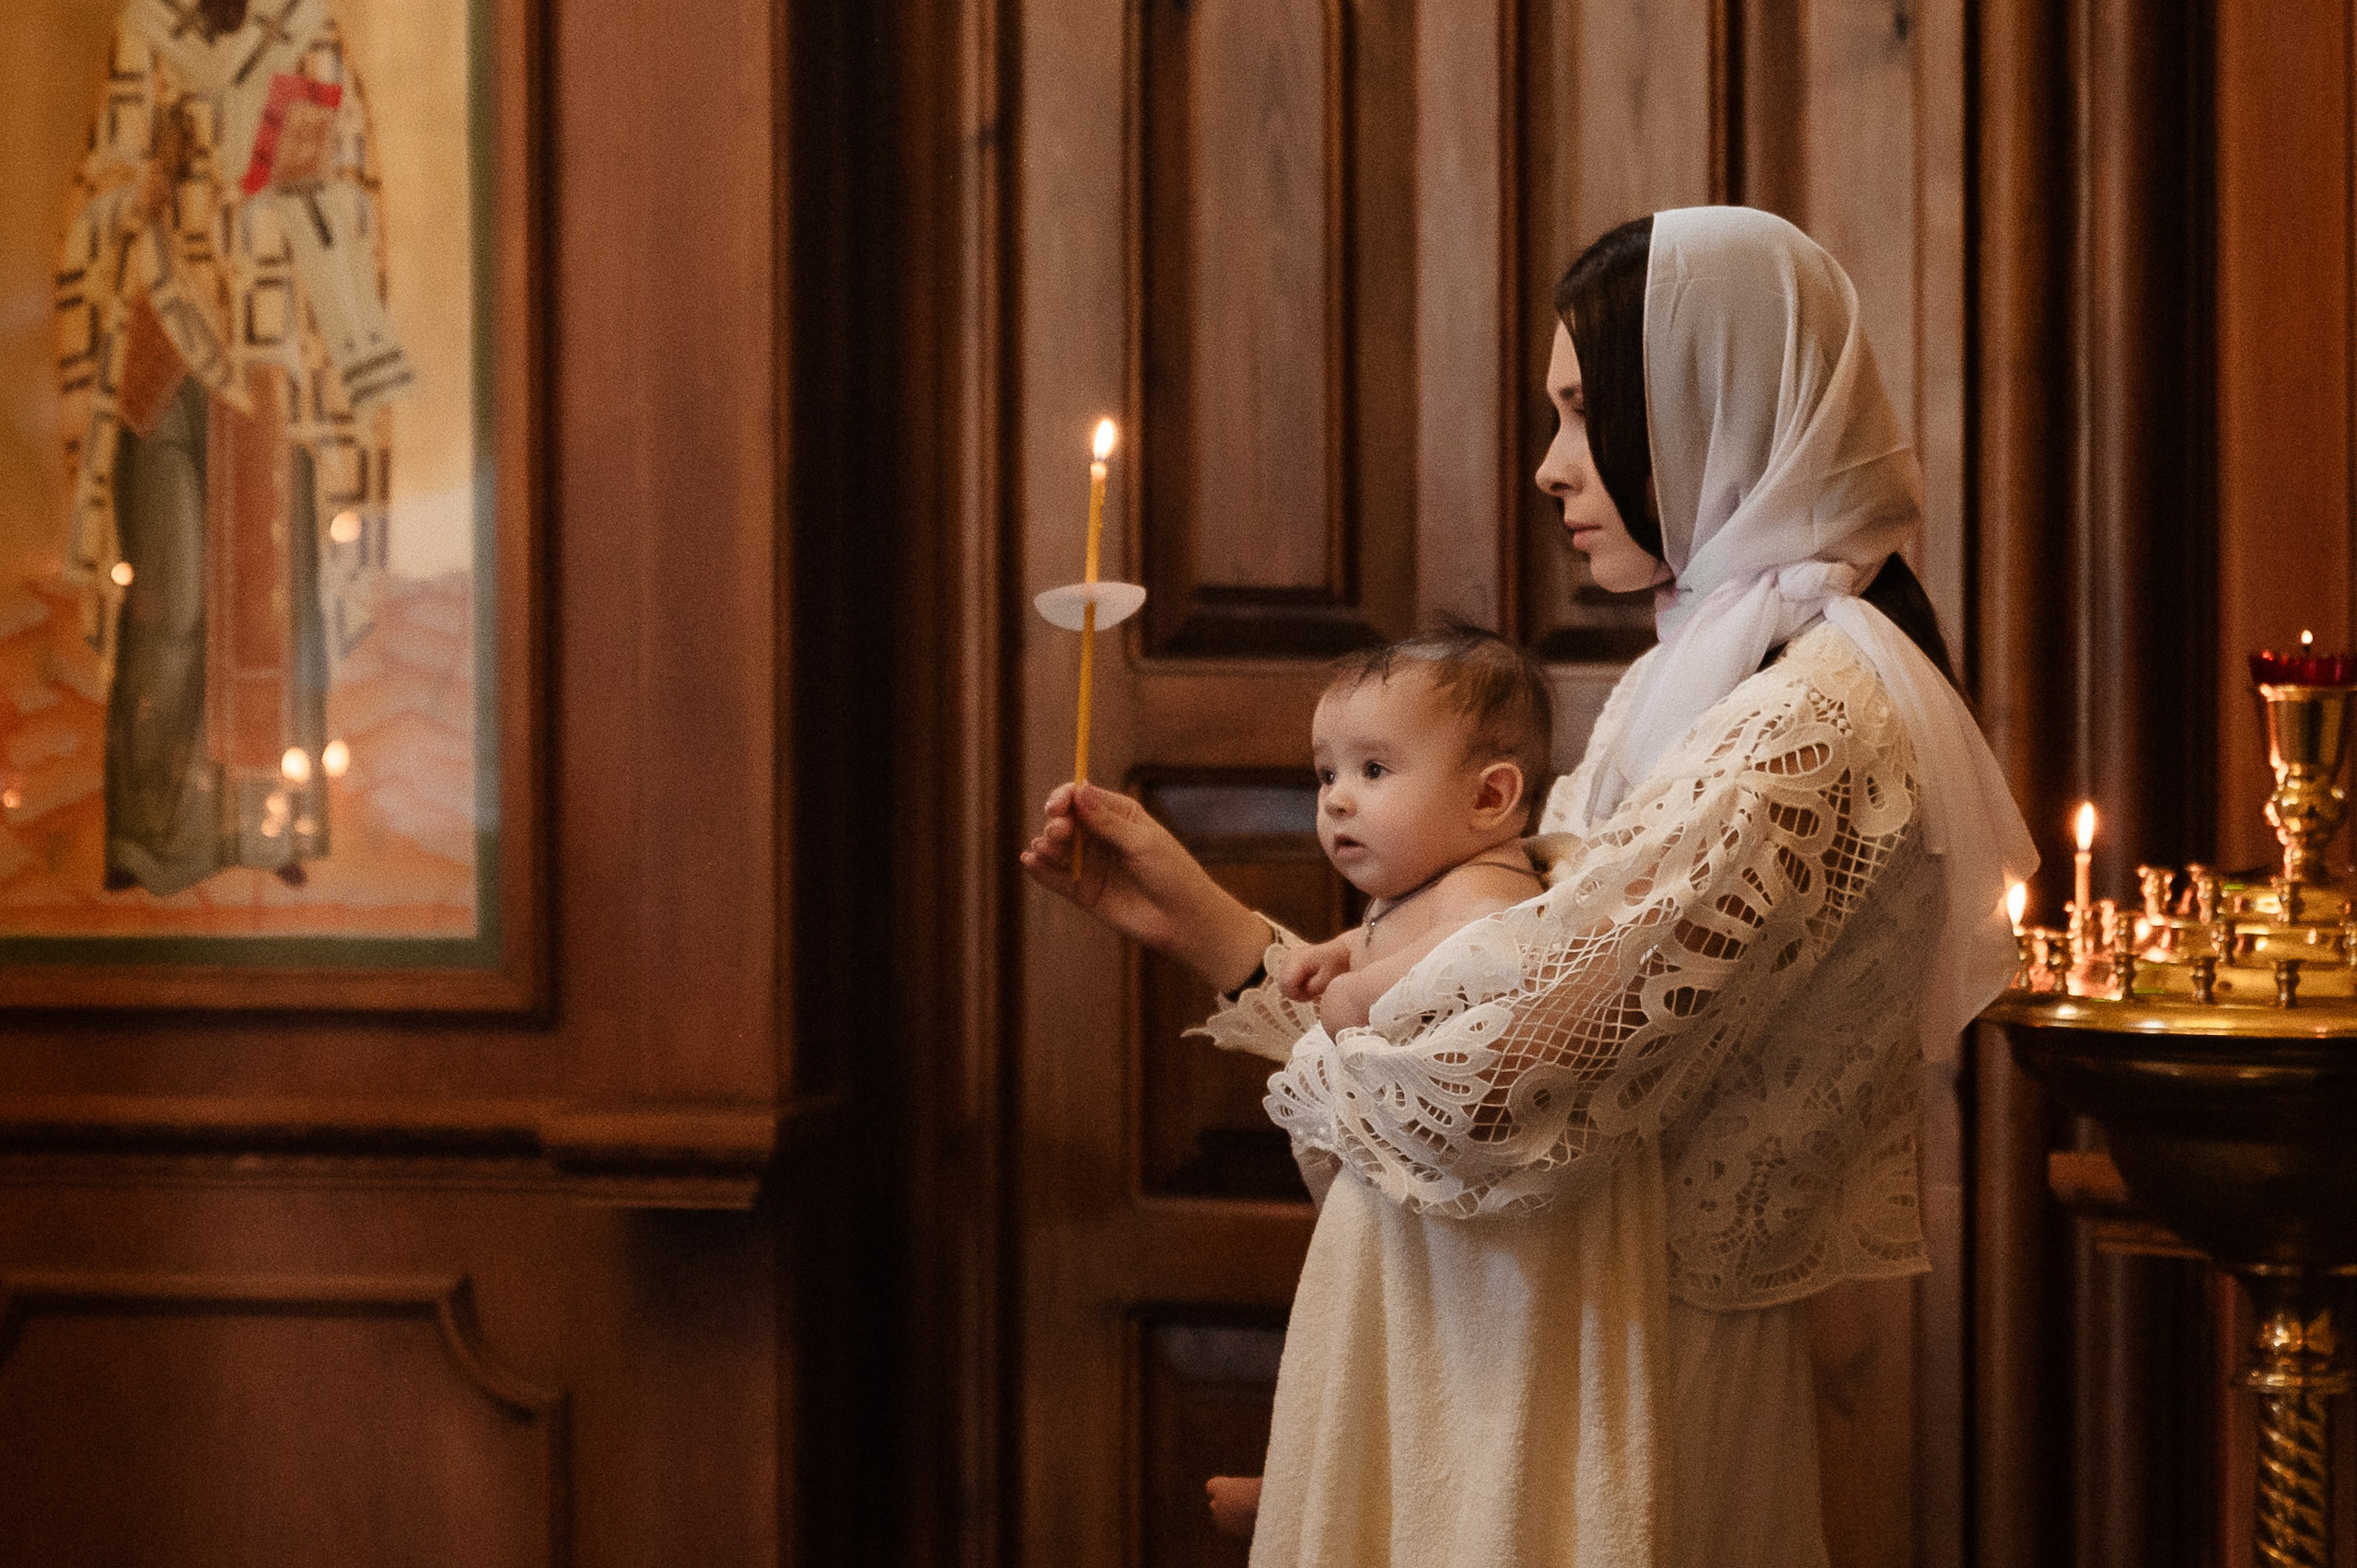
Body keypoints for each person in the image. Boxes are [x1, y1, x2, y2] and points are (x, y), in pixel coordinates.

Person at [1021, 205, 2036, 1568]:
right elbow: (1480, 973)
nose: (1553, 466)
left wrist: (1307, 1007)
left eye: (1582, 412)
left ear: (1701, 403)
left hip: (1621, 1379)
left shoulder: (1811, 723)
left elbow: (1493, 1086)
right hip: (1534, 1356)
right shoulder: (1692, 682)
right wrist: (1202, 921)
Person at [55, 0, 409, 894]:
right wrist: (144, 199)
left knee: (265, 596)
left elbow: (347, 191)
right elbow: (103, 188)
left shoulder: (305, 34)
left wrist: (293, 203)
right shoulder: (150, 30)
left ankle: (263, 827)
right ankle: (151, 833)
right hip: (166, 343)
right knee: (168, 600)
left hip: (269, 360)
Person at [1282, 629, 1554, 1035]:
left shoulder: (1482, 880)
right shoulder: (1429, 884)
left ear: (1486, 799)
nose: (1335, 799)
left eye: (1373, 770)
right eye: (1329, 773)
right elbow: (1410, 940)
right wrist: (1343, 951)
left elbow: (1484, 946)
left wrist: (1361, 994)